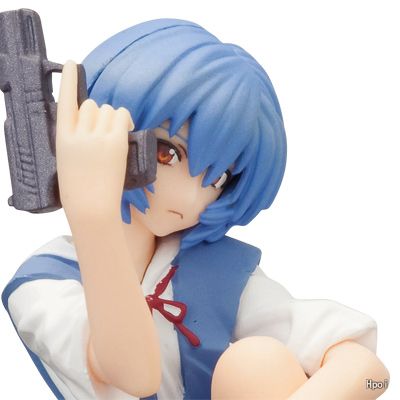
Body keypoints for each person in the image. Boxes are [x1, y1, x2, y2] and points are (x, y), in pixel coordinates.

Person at [2, 19, 388, 400]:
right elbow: (135, 375)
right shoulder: (46, 282)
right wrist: (92, 217)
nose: (191, 198)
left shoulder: (213, 271)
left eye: (217, 178)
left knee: (257, 364)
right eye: (168, 153)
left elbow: (375, 377)